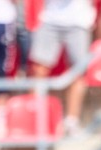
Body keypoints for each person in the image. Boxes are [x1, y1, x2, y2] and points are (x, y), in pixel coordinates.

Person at [27, 0, 92, 133]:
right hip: (50, 20)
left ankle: (71, 121)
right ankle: (33, 119)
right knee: (39, 70)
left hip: (79, 22)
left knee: (78, 72)